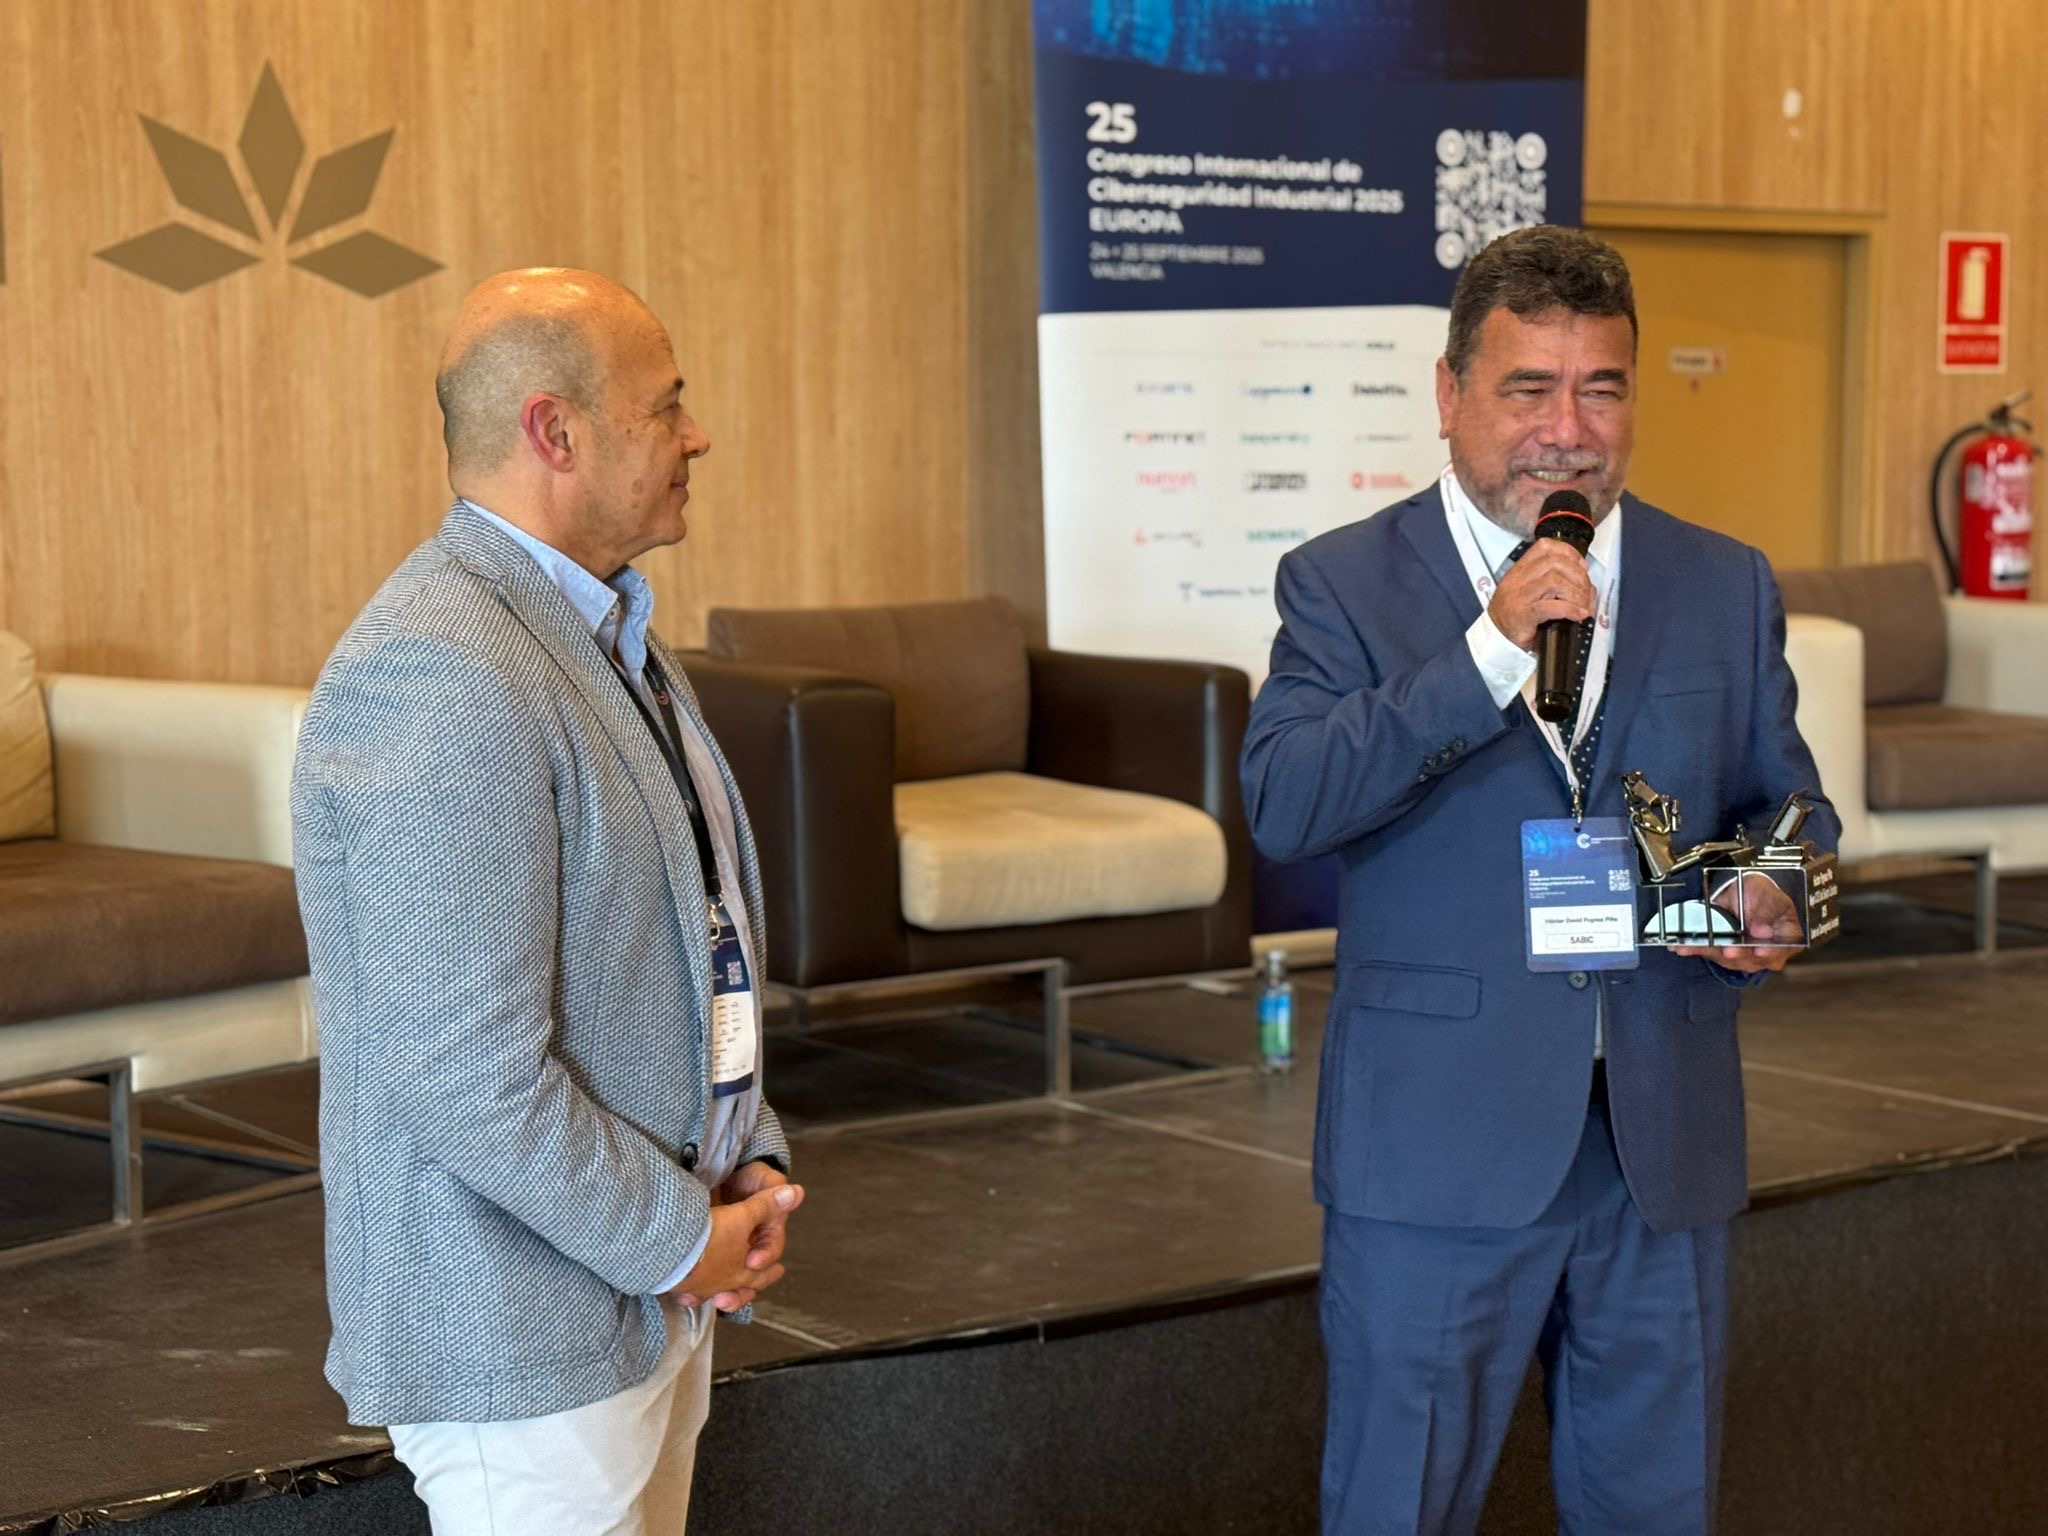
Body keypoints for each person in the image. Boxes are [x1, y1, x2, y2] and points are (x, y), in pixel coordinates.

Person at [1241, 225, 1836, 1535]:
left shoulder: (1720, 581)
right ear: (1449, 394)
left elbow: (1790, 806)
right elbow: (1285, 803)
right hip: (1436, 1150)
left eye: (1600, 390)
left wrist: (1774, 887)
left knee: (1654, 1508)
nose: (1567, 433)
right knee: (1399, 1507)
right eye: (1527, 389)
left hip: (1658, 1143)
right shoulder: (1341, 582)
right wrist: (1485, 656)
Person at [291, 267, 802, 1532]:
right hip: (521, 1334)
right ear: (554, 431)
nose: (695, 435)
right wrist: (678, 1237)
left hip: (647, 1290)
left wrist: (742, 1161)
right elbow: (462, 1070)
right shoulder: (440, 667)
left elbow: (685, 949)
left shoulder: (607, 635)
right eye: (664, 406)